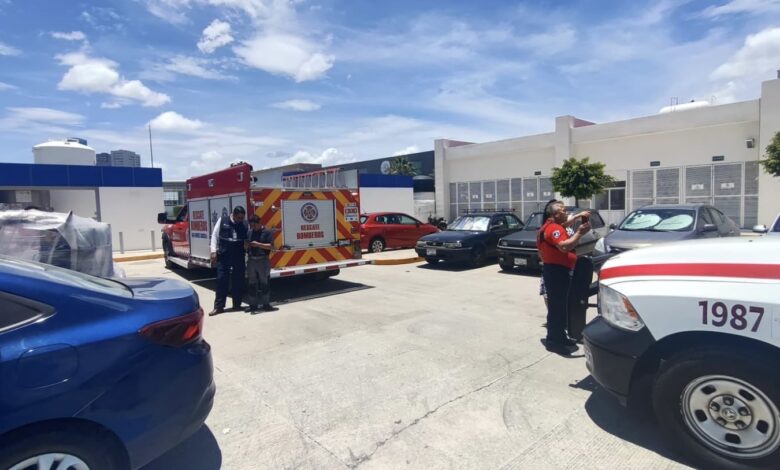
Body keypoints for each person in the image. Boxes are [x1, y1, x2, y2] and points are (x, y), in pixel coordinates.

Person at [537, 201, 591, 355]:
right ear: (555, 215)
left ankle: (559, 336)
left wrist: (578, 217)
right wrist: (579, 232)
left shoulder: (552, 225)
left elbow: (565, 223)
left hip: (555, 271)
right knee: (557, 308)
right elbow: (564, 246)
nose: (566, 212)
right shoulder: (553, 229)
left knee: (559, 307)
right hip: (556, 272)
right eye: (563, 210)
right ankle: (553, 341)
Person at [208, 206, 248, 316]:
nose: (241, 220)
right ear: (233, 215)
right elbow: (214, 236)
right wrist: (213, 251)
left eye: (242, 218)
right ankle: (219, 307)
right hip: (224, 255)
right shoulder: (222, 220)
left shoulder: (244, 224)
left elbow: (247, 239)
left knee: (238, 280)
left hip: (238, 256)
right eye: (239, 218)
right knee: (221, 280)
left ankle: (237, 304)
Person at [245, 215, 277, 313]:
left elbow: (272, 247)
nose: (253, 227)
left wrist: (258, 244)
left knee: (264, 283)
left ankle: (266, 304)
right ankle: (253, 305)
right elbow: (247, 246)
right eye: (251, 225)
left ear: (259, 223)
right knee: (251, 283)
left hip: (263, 260)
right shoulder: (250, 232)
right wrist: (246, 245)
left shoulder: (267, 232)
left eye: (254, 225)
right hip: (251, 260)